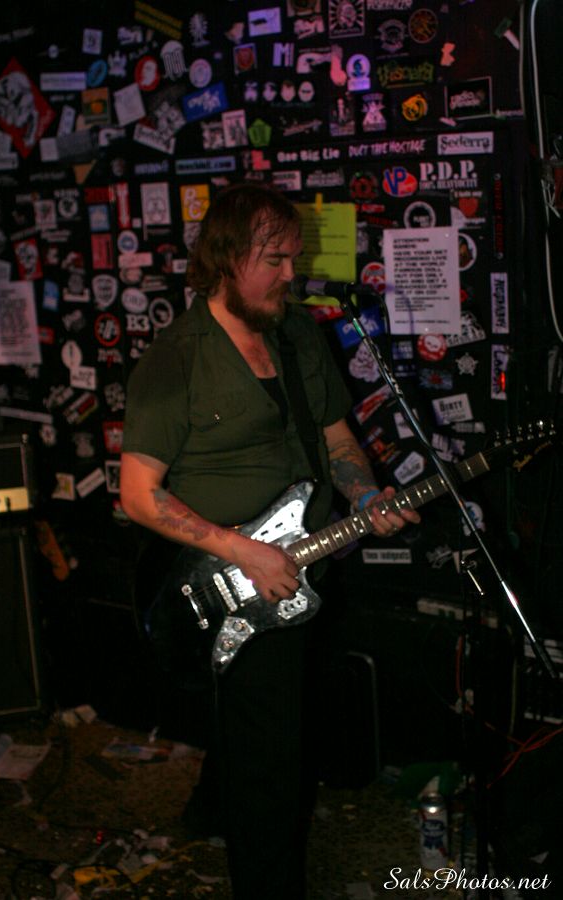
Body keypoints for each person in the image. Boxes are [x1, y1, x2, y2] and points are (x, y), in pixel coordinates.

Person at [119, 182, 420, 900]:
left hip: (305, 563)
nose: (293, 273)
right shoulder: (177, 357)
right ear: (226, 260)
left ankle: (209, 809)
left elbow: (336, 438)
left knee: (266, 723)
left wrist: (366, 495)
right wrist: (244, 551)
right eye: (275, 260)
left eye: (295, 258)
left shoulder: (296, 332)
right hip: (225, 572)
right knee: (273, 761)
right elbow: (139, 494)